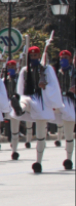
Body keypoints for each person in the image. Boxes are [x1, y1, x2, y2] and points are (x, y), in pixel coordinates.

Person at [16, 45, 62, 174]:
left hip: (42, 101)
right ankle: (20, 108)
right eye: (31, 56)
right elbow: (20, 88)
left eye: (35, 55)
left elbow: (54, 85)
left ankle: (38, 161)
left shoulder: (47, 69)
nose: (33, 58)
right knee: (24, 101)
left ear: (39, 55)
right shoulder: (25, 70)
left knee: (41, 135)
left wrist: (45, 86)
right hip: (30, 97)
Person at [51, 50, 74, 170]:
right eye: (61, 58)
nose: (63, 60)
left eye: (66, 58)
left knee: (69, 133)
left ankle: (69, 159)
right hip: (59, 101)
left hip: (71, 101)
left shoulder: (73, 72)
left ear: (70, 60)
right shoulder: (56, 73)